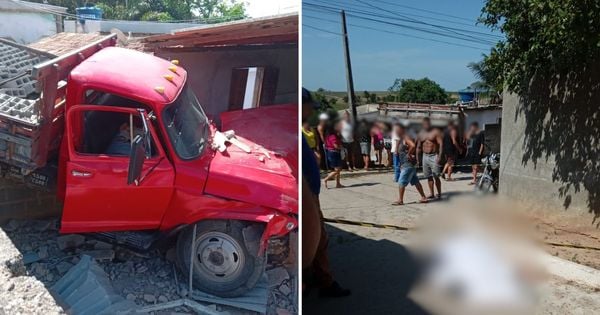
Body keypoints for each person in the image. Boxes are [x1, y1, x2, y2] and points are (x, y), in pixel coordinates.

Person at [301, 88, 351, 298]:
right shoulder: (298, 130)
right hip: (307, 196)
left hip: (311, 193)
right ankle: (325, 283)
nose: (312, 109)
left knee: (317, 239)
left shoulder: (300, 130)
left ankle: (313, 278)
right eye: (310, 105)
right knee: (318, 240)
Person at [392, 123, 429, 205]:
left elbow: (412, 146)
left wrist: (408, 154)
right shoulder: (403, 137)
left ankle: (400, 200)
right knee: (416, 181)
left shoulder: (406, 136)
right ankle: (423, 197)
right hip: (408, 164)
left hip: (407, 164)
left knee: (401, 182)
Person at [417, 117, 443, 199]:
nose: (426, 125)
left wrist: (439, 156)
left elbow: (441, 144)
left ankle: (439, 193)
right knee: (428, 176)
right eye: (424, 124)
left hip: (434, 156)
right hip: (425, 156)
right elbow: (418, 147)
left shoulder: (435, 132)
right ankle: (432, 193)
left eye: (427, 124)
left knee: (436, 176)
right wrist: (418, 159)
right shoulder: (421, 133)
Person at [322, 121, 344, 189]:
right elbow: (335, 146)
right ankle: (326, 179)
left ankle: (338, 183)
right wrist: (342, 148)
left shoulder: (329, 136)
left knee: (338, 169)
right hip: (334, 153)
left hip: (333, 152)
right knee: (337, 169)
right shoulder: (333, 136)